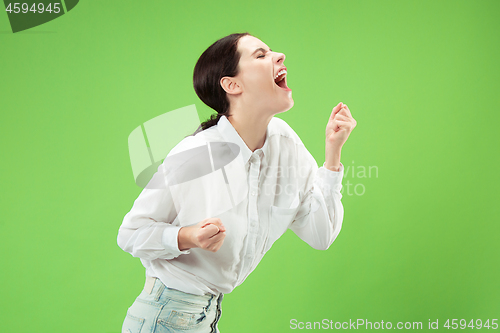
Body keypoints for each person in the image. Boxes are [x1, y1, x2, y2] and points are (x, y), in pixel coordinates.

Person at [118, 32, 356, 333]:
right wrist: (188, 236)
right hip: (166, 315)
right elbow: (130, 233)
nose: (279, 56)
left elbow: (321, 235)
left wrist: (332, 156)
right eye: (261, 54)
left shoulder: (285, 145)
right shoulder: (197, 153)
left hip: (206, 316)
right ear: (232, 85)